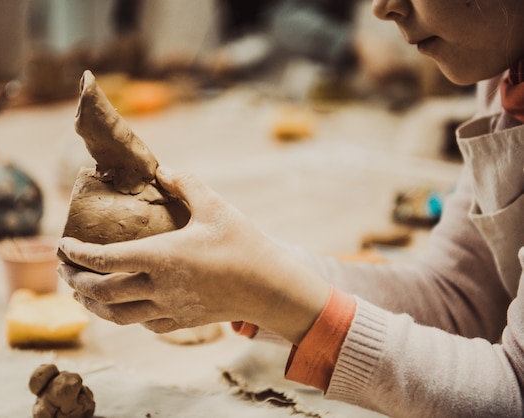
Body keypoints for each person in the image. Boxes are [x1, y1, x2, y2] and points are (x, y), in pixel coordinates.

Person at [57, 0, 524, 415]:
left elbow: (514, 394)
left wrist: (278, 299)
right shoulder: (504, 76)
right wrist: (245, 273)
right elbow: (462, 300)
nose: (382, 8)